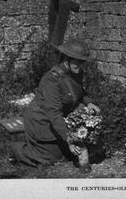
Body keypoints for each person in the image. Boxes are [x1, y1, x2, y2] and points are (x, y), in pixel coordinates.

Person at [9, 38, 101, 168]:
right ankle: (16, 149)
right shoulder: (51, 79)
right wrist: (68, 138)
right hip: (41, 120)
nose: (81, 65)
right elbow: (54, 112)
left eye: (83, 62)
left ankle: (50, 145)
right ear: (67, 59)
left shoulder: (77, 73)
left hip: (59, 121)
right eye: (77, 61)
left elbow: (80, 92)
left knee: (68, 155)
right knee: (49, 160)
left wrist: (89, 103)